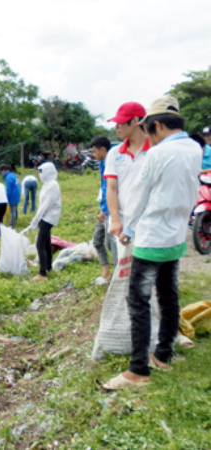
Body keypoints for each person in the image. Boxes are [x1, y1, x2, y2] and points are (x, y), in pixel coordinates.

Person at [103, 96, 201, 390]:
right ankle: (163, 353)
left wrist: (126, 230)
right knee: (169, 295)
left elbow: (140, 197)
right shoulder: (195, 148)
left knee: (139, 301)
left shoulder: (156, 155)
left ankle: (138, 371)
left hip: (152, 238)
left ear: (156, 125)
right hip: (175, 236)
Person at [104, 102, 150, 240]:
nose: (116, 127)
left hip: (149, 222)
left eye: (120, 122)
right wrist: (116, 220)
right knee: (123, 262)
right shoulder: (114, 153)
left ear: (135, 121)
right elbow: (111, 188)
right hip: (122, 223)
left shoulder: (156, 151)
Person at [89, 136, 118, 283]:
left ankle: (120, 275)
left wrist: (105, 210)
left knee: (111, 244)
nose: (92, 155)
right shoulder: (102, 163)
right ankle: (106, 273)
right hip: (104, 208)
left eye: (94, 151)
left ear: (103, 150)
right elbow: (103, 188)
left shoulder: (113, 163)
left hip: (111, 211)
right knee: (97, 241)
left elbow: (111, 189)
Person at [28, 163, 61, 280]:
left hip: (49, 217)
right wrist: (36, 218)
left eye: (42, 172)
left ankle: (42, 274)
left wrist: (36, 220)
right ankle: (48, 267)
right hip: (44, 216)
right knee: (47, 243)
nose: (40, 174)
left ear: (48, 172)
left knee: (40, 244)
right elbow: (41, 204)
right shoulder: (46, 184)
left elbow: (46, 205)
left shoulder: (52, 185)